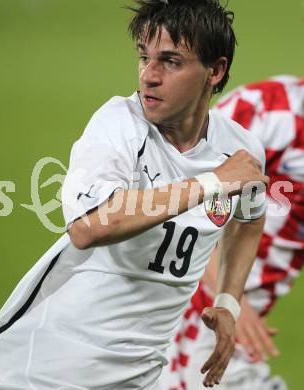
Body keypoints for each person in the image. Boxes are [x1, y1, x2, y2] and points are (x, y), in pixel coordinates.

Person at [0, 1, 269, 389]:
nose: (149, 75)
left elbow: (249, 219)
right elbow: (89, 226)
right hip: (41, 370)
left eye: (170, 61)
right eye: (144, 58)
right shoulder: (117, 126)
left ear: (215, 70)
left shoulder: (239, 150)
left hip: (138, 375)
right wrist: (212, 183)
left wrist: (229, 302)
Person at [160, 75, 304, 390]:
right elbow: (179, 200)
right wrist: (231, 299)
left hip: (235, 323)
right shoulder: (266, 110)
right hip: (197, 315)